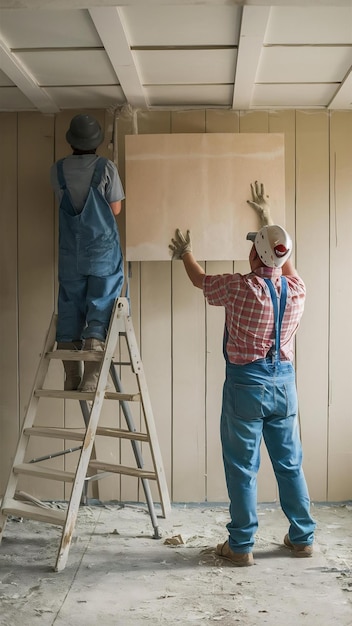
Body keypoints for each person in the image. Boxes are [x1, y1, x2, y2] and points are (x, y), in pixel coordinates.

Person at [169, 181, 316, 567]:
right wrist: (268, 219)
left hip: (246, 386)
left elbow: (200, 279)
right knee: (289, 464)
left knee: (241, 466)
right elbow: (284, 263)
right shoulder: (297, 289)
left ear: (254, 254)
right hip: (284, 384)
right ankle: (302, 539)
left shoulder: (239, 287)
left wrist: (185, 253)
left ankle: (241, 546)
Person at [50, 113, 125, 392]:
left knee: (70, 305)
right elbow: (115, 209)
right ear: (96, 143)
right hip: (102, 252)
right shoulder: (106, 167)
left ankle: (71, 377)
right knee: (102, 303)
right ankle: (93, 378)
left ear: (72, 142)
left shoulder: (57, 170)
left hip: (71, 253)